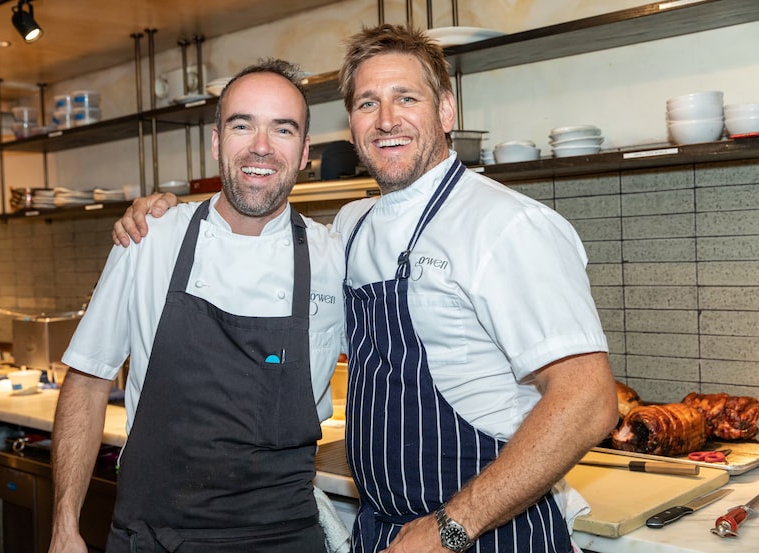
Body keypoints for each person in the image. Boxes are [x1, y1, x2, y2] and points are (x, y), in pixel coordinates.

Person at [113, 25, 618, 553]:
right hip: (384, 530)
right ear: (351, 126)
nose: (386, 120)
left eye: (407, 98)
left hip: (488, 532)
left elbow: (587, 400)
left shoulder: (507, 225)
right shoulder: (353, 226)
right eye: (367, 103)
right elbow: (259, 255)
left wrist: (448, 527)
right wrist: (164, 213)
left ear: (446, 111)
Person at [49, 59, 347, 553]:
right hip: (153, 537)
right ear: (215, 143)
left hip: (282, 538)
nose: (261, 146)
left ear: (303, 152)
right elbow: (87, 380)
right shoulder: (150, 237)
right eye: (241, 125)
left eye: (283, 129)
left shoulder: (334, 257)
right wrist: (64, 527)